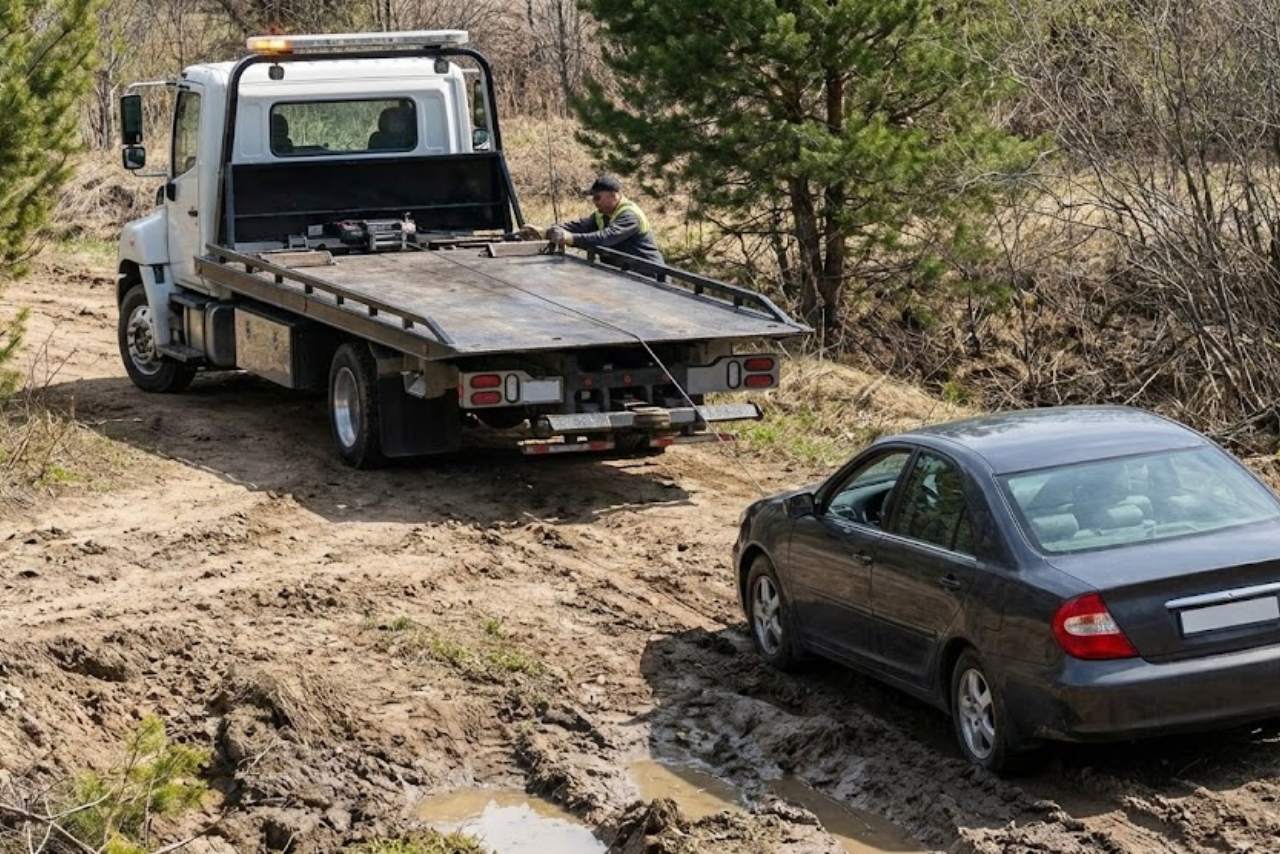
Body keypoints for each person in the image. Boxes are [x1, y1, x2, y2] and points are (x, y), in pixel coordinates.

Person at [520, 175, 664, 265]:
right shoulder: (602, 215)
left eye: (597, 197)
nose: (594, 202)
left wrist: (570, 239)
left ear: (614, 195)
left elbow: (606, 238)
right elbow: (579, 226)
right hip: (625, 273)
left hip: (650, 277)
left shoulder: (630, 216)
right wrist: (545, 232)